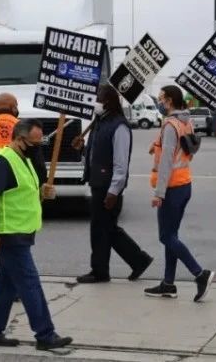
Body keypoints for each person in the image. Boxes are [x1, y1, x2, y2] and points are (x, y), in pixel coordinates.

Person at [0, 119, 73, 351]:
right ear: (19, 139)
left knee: (6, 285)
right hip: (11, 235)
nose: (37, 146)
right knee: (30, 284)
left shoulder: (25, 160)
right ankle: (45, 334)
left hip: (23, 232)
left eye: (39, 141)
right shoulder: (3, 161)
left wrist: (43, 192)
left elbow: (24, 193)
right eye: (34, 142)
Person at [73, 84, 153, 284]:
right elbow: (96, 155)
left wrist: (114, 191)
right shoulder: (100, 123)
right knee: (104, 229)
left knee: (102, 229)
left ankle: (104, 270)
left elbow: (120, 163)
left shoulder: (119, 127)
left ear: (107, 101)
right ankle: (136, 261)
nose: (95, 103)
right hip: (97, 183)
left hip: (108, 187)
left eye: (98, 98)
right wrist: (82, 149)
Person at [143, 85, 214, 302]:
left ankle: (200, 274)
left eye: (162, 99)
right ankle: (168, 283)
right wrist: (156, 145)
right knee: (171, 235)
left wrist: (159, 193)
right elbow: (181, 150)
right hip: (184, 184)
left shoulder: (170, 125)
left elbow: (166, 162)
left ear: (171, 101)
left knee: (166, 236)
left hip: (171, 187)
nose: (160, 102)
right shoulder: (186, 121)